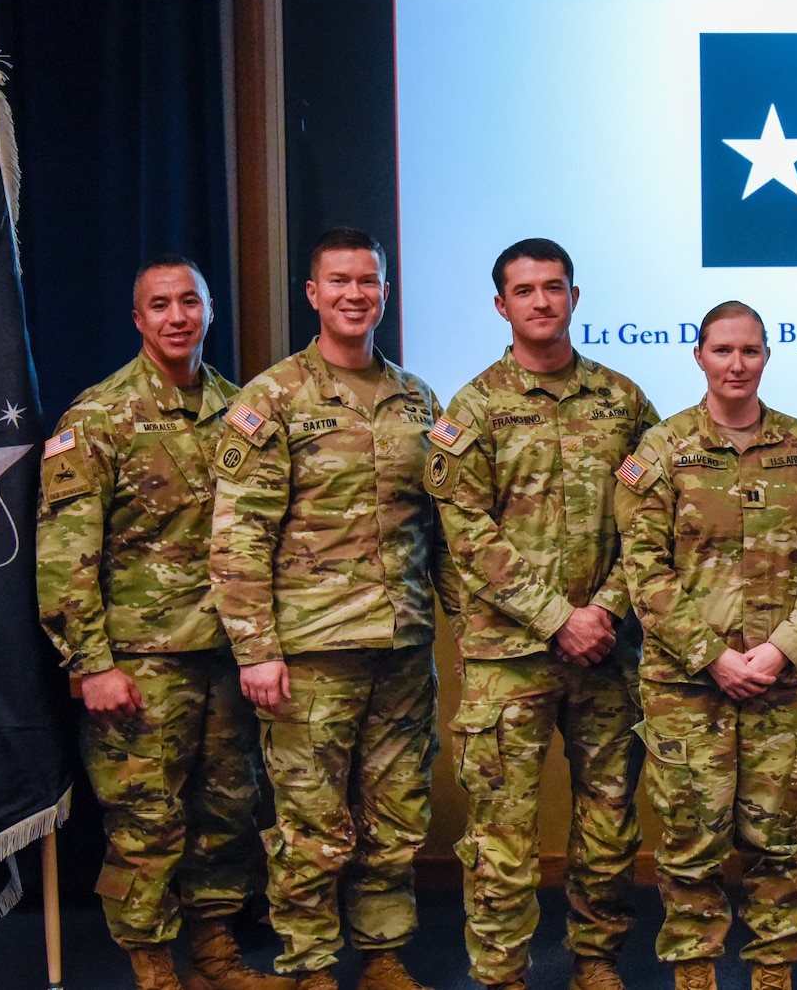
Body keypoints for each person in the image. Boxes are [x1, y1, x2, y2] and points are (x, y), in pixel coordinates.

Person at [37, 257, 290, 990]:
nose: (177, 316)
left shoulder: (241, 408)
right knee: (146, 825)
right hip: (140, 664)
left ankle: (215, 957)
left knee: (228, 813)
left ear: (209, 311)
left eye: (189, 302)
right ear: (138, 319)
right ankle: (154, 968)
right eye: (160, 305)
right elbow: (63, 554)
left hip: (225, 654)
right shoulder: (98, 417)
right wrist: (90, 663)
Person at [212, 229, 444, 990]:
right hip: (309, 651)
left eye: (368, 280)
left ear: (385, 291)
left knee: (397, 813)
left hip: (402, 646)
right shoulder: (271, 398)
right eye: (339, 280)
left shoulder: (418, 398)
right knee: (311, 824)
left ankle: (381, 958)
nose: (355, 293)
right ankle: (311, 967)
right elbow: (240, 531)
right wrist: (255, 649)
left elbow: (438, 524)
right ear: (311, 293)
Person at [428, 238, 657, 990]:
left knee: (609, 819)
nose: (540, 301)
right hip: (509, 658)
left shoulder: (622, 401)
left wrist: (605, 610)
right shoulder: (471, 409)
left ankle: (595, 962)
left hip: (606, 652)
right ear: (501, 306)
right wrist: (559, 615)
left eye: (553, 287)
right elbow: (468, 535)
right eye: (523, 290)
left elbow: (654, 523)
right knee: (501, 833)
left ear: (575, 297)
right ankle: (501, 974)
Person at [614, 301, 797, 990]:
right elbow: (644, 570)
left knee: (776, 842)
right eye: (722, 350)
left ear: (767, 356)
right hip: (687, 686)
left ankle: (772, 973)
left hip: (782, 683)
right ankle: (695, 974)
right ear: (698, 356)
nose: (736, 364)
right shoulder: (661, 450)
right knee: (690, 842)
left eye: (750, 350)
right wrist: (712, 655)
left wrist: (780, 650)